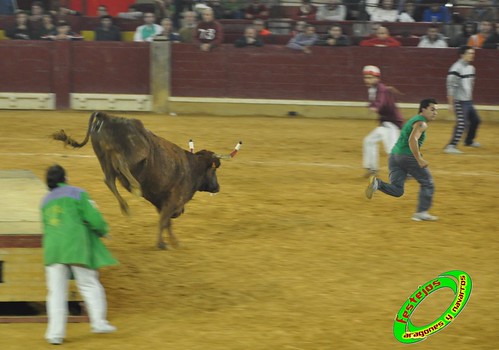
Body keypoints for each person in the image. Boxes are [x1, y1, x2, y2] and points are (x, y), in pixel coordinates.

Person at [41, 164, 118, 345]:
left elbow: (45, 227)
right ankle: (98, 322)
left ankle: (54, 334)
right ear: (65, 178)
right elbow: (95, 219)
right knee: (89, 284)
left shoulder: (44, 201)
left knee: (56, 293)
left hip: (53, 249)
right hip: (76, 246)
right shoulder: (77, 193)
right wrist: (103, 231)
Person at [365, 98, 439, 222]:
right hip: (407, 156)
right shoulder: (421, 123)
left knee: (398, 190)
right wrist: (419, 159)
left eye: (436, 110)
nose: (435, 113)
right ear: (423, 109)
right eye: (432, 109)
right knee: (427, 182)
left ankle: (377, 183)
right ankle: (421, 213)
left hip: (394, 156)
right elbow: (412, 140)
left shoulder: (413, 120)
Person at [361, 65, 404, 177]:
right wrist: (372, 105)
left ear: (377, 78)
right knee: (369, 141)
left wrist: (375, 107)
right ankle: (372, 168)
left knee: (391, 149)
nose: (367, 80)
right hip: (385, 123)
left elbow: (380, 101)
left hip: (392, 124)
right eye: (366, 77)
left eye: (370, 77)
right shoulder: (373, 89)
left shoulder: (381, 89)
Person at [444, 46, 481, 154]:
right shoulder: (456, 68)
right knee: (462, 123)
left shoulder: (471, 68)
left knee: (476, 120)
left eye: (473, 53)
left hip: (468, 101)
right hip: (459, 101)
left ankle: (468, 141)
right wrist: (451, 104)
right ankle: (451, 146)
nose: (472, 55)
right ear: (462, 55)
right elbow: (450, 86)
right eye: (470, 53)